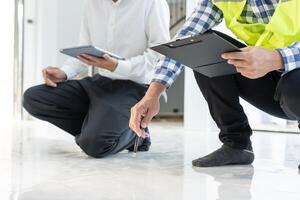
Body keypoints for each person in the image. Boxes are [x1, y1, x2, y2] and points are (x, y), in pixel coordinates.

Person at [130, 0, 300, 167]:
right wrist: (153, 94)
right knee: (198, 46)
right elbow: (186, 36)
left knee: (294, 82)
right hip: (274, 85)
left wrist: (277, 58)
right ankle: (237, 145)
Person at [23, 0, 170, 158]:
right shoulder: (92, 3)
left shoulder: (152, 3)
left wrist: (118, 66)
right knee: (34, 98)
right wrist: (64, 72)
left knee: (96, 145)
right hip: (100, 81)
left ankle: (137, 135)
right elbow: (85, 49)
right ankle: (98, 127)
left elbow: (159, 56)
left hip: (136, 86)